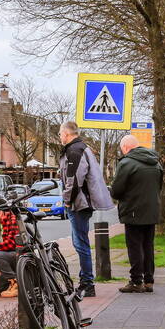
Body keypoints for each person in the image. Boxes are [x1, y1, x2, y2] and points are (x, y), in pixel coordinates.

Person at [58, 121, 114, 298]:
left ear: (67, 134)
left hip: (79, 204)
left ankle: (87, 283)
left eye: (60, 134)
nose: (59, 137)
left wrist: (67, 200)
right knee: (79, 242)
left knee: (80, 243)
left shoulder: (75, 150)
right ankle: (85, 280)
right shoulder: (81, 148)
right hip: (82, 202)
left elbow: (74, 180)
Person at [110, 134, 164, 293]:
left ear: (126, 148)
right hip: (151, 211)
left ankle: (136, 281)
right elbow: (159, 186)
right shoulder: (156, 163)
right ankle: (149, 281)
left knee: (134, 247)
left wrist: (116, 194)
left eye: (122, 149)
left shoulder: (126, 163)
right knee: (148, 246)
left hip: (133, 211)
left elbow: (117, 190)